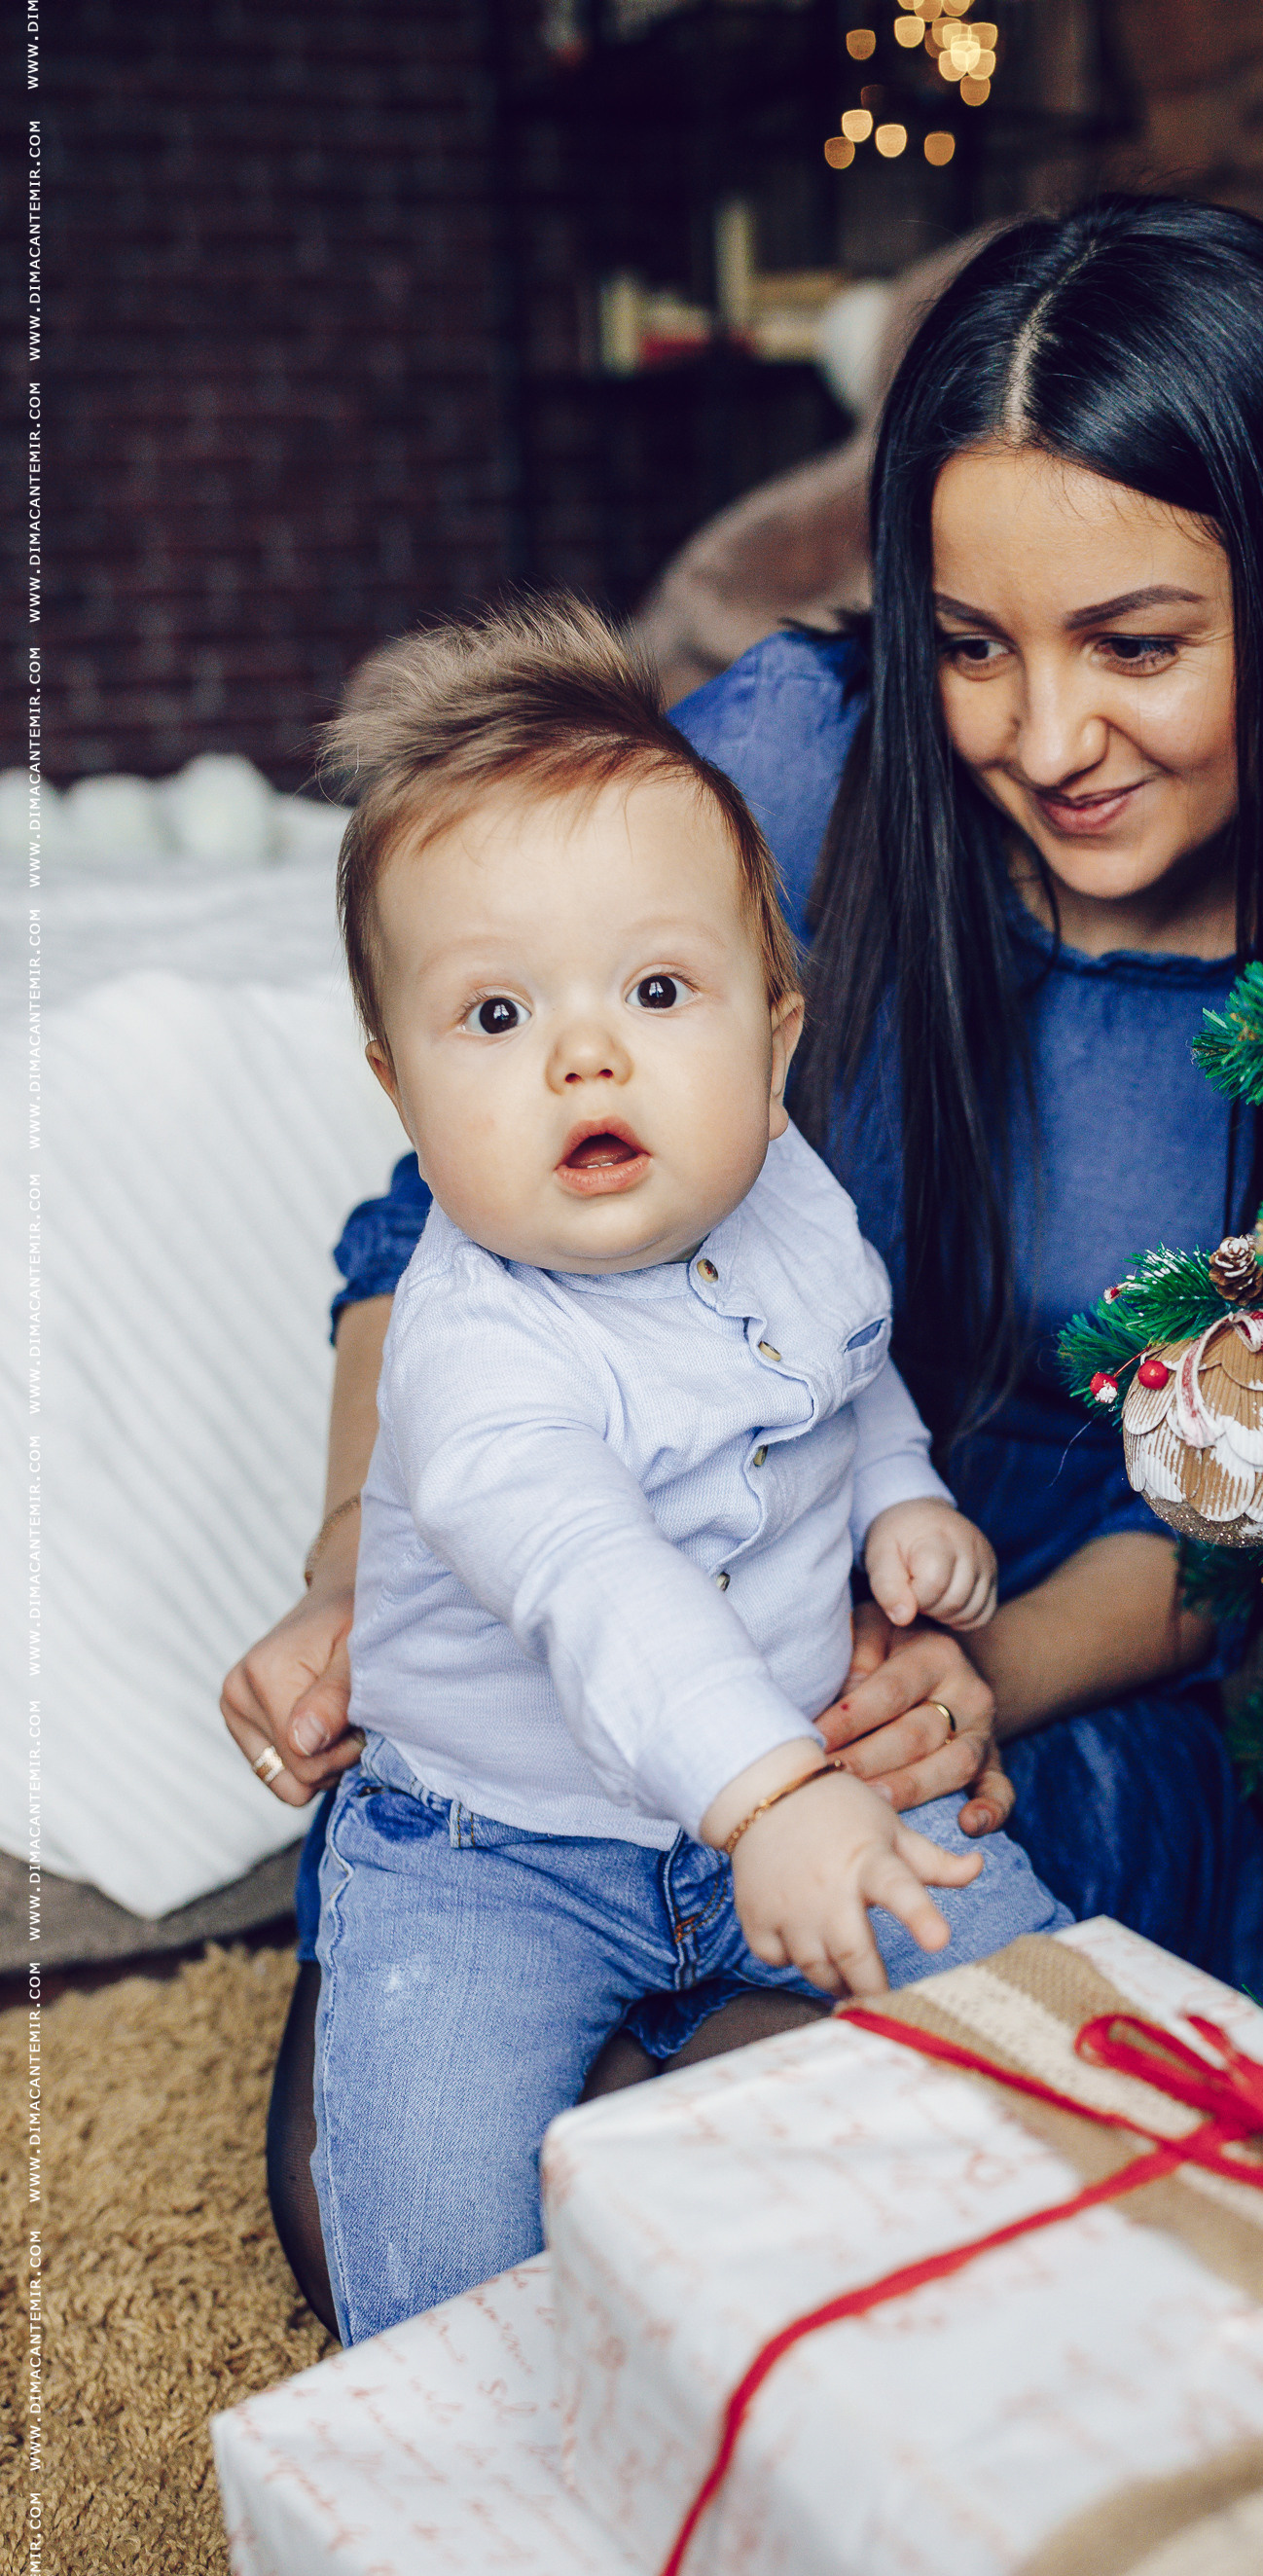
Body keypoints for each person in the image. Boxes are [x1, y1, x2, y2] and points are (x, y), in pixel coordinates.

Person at [223, 194, 1263, 2326]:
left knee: (798, 2197)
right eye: (970, 644)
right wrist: (348, 1564)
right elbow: (438, 1221)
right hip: (608, 1620)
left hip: (1057, 1627)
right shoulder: (790, 757)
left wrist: (985, 1675)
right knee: (393, 2197)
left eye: (1136, 647)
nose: (1042, 736)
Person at [301, 601, 1065, 2343]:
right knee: (427, 2252)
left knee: (1045, 2011)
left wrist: (902, 1502)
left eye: (658, 991)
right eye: (493, 1014)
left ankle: (1158, 2228)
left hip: (794, 1771)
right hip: (494, 1851)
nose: (587, 1054)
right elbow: (598, 1583)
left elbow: (840, 1374)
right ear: (399, 1091)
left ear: (776, 1039)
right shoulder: (477, 1351)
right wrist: (776, 1799)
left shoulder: (786, 1188)